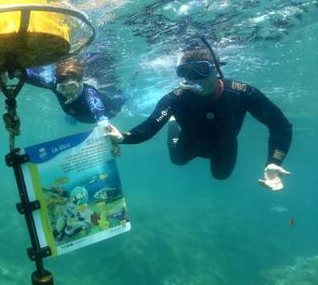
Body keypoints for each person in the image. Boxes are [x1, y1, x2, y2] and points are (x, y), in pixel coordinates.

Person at [104, 42, 292, 188]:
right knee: (177, 160)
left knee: (221, 176)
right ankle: (173, 125)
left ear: (215, 69)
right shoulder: (175, 99)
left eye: (202, 71)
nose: (195, 79)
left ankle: (175, 124)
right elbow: (150, 127)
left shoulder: (241, 93)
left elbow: (280, 126)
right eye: (186, 73)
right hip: (189, 141)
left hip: (224, 145)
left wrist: (274, 162)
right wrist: (123, 138)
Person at [26, 57, 127, 124]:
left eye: (72, 86)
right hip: (76, 114)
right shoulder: (53, 85)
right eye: (62, 88)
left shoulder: (90, 95)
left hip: (109, 111)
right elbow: (28, 76)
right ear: (57, 86)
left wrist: (103, 124)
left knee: (118, 101)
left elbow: (98, 112)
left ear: (80, 82)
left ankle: (125, 96)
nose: (68, 92)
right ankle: (73, 115)